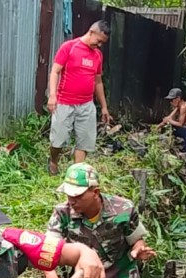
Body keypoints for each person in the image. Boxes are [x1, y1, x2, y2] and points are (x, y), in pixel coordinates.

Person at [46, 21, 112, 175]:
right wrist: (52, 95)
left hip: (86, 104)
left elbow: (98, 82)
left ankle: (75, 173)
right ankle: (54, 161)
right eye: (99, 41)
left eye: (103, 43)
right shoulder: (69, 47)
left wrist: (104, 106)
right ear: (91, 32)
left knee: (85, 140)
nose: (100, 45)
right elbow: (55, 72)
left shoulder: (97, 55)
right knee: (58, 139)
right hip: (64, 103)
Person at [160, 88, 186, 181]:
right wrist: (160, 125)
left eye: (173, 100)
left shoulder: (184, 106)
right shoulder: (179, 106)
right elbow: (169, 118)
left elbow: (180, 124)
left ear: (178, 98)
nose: (171, 102)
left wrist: (169, 120)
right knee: (171, 128)